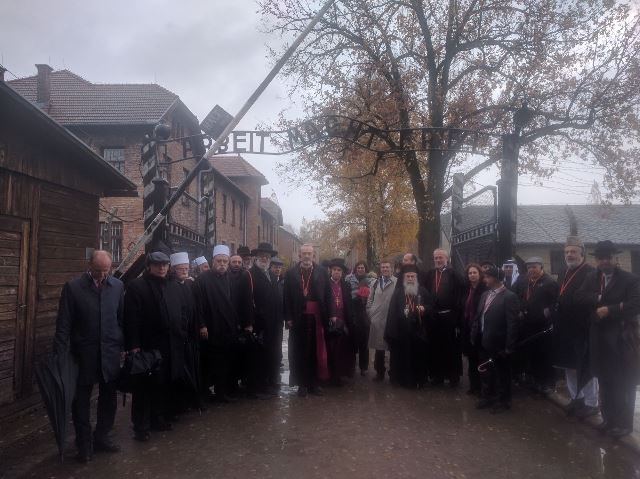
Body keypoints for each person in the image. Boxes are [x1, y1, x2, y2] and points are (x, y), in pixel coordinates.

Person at [53, 250, 124, 462]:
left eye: (106, 271)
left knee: (108, 398)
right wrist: (60, 354)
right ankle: (84, 444)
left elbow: (121, 318)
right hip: (83, 355)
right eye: (98, 271)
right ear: (89, 266)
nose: (102, 275)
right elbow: (63, 324)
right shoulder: (73, 288)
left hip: (109, 353)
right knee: (81, 401)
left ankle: (102, 436)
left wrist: (122, 343)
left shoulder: (118, 287)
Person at [576, 240, 640, 438]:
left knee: (622, 383)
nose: (604, 261)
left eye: (608, 257)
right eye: (601, 258)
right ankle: (608, 419)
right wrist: (598, 299)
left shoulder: (630, 279)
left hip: (620, 338)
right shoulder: (591, 277)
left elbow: (636, 304)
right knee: (604, 381)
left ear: (615, 258)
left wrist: (610, 310)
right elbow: (579, 297)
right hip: (599, 338)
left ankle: (624, 424)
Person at [124, 251, 188, 442]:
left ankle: (158, 418)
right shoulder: (137, 286)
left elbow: (182, 310)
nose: (161, 268)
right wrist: (133, 345)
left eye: (165, 264)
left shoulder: (172, 285)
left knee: (163, 383)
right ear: (149, 266)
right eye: (157, 265)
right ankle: (141, 426)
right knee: (144, 387)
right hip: (147, 345)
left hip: (170, 344)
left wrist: (181, 331)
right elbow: (131, 319)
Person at [194, 245, 253, 403]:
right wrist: (202, 325)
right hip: (211, 327)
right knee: (208, 363)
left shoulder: (231, 279)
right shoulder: (202, 280)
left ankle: (222, 392)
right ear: (213, 261)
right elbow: (198, 305)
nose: (222, 264)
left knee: (225, 363)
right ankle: (204, 394)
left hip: (227, 328)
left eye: (224, 261)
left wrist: (242, 324)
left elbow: (237, 303)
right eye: (219, 261)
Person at [551, 236, 599, 418]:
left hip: (582, 328)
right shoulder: (564, 271)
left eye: (573, 251)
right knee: (568, 366)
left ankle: (591, 403)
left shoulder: (591, 273)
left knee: (584, 366)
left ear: (582, 253)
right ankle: (576, 398)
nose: (569, 255)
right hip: (564, 327)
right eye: (567, 252)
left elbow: (594, 299)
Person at [284, 244, 334, 397]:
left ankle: (314, 383)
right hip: (298, 318)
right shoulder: (291, 273)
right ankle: (302, 384)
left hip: (317, 318)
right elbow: (286, 297)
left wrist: (331, 314)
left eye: (309, 254)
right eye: (304, 253)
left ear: (314, 255)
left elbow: (328, 294)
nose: (306, 256)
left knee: (315, 351)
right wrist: (288, 317)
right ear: (299, 255)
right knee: (299, 351)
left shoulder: (322, 272)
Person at [471, 265, 519, 414]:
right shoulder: (485, 294)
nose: (484, 279)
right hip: (483, 340)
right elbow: (479, 316)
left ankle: (503, 400)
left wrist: (509, 347)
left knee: (501, 373)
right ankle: (487, 396)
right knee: (486, 371)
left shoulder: (509, 297)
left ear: (496, 278)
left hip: (499, 343)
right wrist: (474, 333)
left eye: (487, 277)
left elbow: (513, 324)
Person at [384, 264, 434, 388]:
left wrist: (424, 309)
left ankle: (420, 380)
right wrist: (392, 332)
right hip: (403, 333)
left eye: (412, 276)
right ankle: (405, 380)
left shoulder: (422, 291)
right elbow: (392, 313)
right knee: (403, 357)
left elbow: (431, 308)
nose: (410, 278)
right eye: (408, 276)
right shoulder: (398, 292)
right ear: (404, 278)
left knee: (419, 357)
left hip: (419, 332)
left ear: (416, 278)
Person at [515, 256, 558, 394]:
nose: (531, 270)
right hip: (528, 325)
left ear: (541, 267)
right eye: (529, 267)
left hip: (543, 327)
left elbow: (556, 303)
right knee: (532, 354)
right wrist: (521, 310)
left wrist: (547, 314)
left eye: (534, 267)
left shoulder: (549, 282)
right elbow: (521, 298)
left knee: (544, 355)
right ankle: (535, 381)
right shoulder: (526, 282)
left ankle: (548, 383)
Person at [424, 248, 465, 387]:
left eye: (440, 257)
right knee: (435, 348)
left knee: (451, 348)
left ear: (447, 259)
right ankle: (437, 376)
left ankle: (453, 377)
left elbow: (461, 295)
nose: (438, 260)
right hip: (433, 318)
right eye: (435, 258)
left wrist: (457, 317)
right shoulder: (430, 274)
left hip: (449, 317)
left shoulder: (454, 275)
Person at [249, 242, 281, 395]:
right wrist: (250, 323)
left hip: (273, 323)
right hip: (258, 324)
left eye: (267, 256)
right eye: (262, 256)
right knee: (257, 357)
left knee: (270, 354)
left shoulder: (272, 276)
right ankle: (257, 387)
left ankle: (268, 381)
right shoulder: (249, 275)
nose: (264, 258)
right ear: (256, 257)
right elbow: (246, 301)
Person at [326, 258, 356, 386]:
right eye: (334, 270)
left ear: (342, 272)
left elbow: (348, 304)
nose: (336, 272)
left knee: (341, 350)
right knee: (330, 350)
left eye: (339, 270)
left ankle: (339, 376)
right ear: (330, 271)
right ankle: (329, 375)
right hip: (329, 322)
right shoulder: (325, 284)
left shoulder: (346, 285)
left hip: (343, 322)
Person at [367, 259, 397, 382]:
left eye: (387, 267)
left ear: (392, 269)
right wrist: (371, 314)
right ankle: (379, 372)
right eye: (383, 267)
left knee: (393, 348)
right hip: (377, 320)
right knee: (379, 348)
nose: (385, 269)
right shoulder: (375, 283)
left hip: (391, 320)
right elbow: (369, 300)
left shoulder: (398, 282)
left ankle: (394, 373)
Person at [461, 263, 487, 396]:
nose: (472, 275)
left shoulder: (484, 289)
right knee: (471, 359)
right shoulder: (467, 289)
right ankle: (473, 385)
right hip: (468, 327)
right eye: (470, 273)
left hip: (480, 329)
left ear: (480, 274)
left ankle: (483, 387)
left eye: (474, 273)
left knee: (481, 359)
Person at [345, 261, 372, 375]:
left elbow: (373, 295)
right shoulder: (348, 279)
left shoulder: (371, 280)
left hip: (365, 313)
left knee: (364, 343)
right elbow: (346, 294)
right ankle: (351, 366)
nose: (360, 269)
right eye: (359, 268)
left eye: (362, 268)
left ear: (365, 269)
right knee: (352, 342)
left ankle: (363, 367)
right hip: (353, 311)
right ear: (356, 269)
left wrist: (367, 295)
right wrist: (357, 294)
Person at [269, 257, 286, 384]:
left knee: (278, 341)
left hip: (279, 319)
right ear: (271, 267)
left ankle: (277, 362)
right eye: (275, 267)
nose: (277, 270)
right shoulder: (268, 280)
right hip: (269, 319)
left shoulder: (283, 282)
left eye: (279, 268)